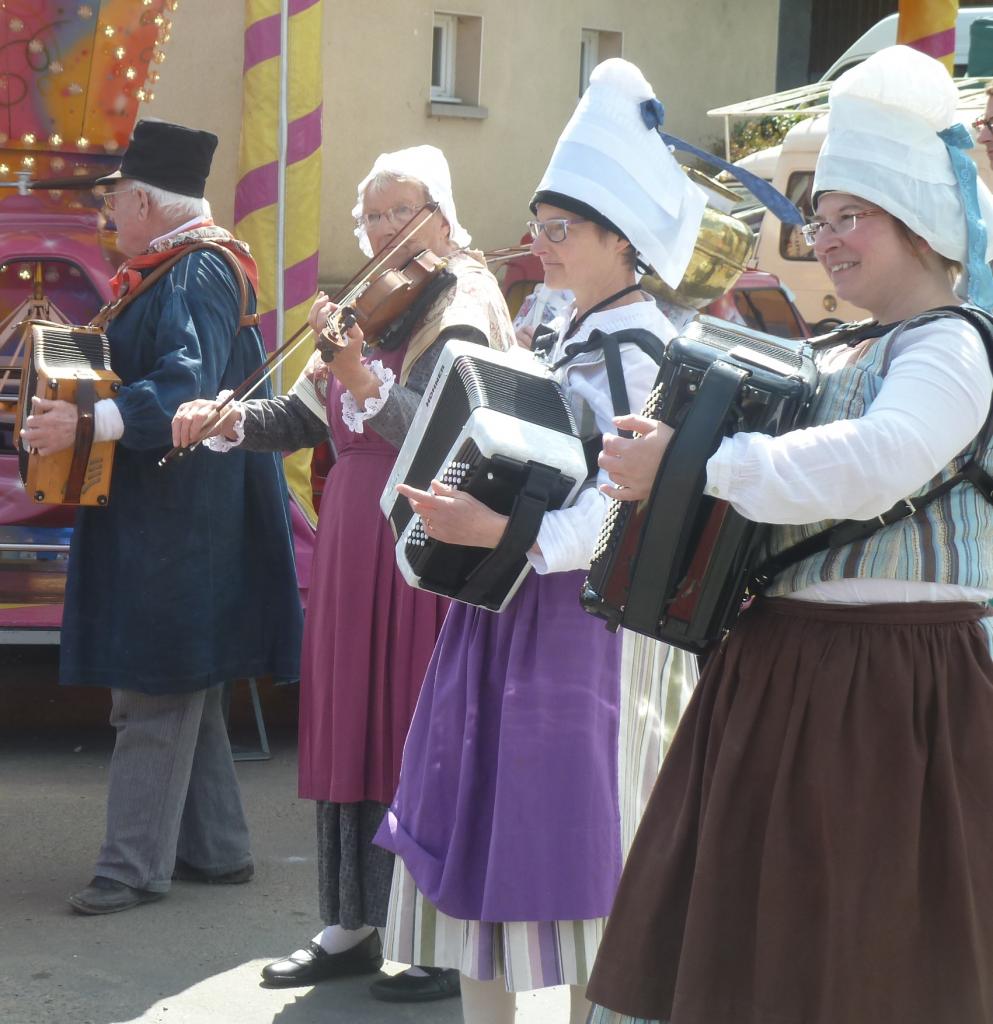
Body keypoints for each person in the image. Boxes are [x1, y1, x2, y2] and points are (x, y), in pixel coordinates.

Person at [585, 46, 993, 1024]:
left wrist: (696, 466)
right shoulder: (850, 347)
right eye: (822, 213)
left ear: (917, 219)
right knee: (763, 953)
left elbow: (880, 460)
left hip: (890, 692)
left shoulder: (954, 344)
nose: (828, 237)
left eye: (851, 214)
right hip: (793, 676)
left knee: (858, 956)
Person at [373, 60, 705, 1024]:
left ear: (621, 239)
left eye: (560, 232)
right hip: (508, 617)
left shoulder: (646, 353)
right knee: (482, 839)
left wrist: (500, 535)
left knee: (575, 850)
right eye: (540, 226)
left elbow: (626, 512)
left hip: (583, 639)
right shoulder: (558, 326)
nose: (541, 246)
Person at [172, 144, 516, 1002]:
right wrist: (227, 418)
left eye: (402, 211)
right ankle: (350, 924)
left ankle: (437, 934)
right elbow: (303, 412)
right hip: (353, 542)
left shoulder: (464, 298)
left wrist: (362, 372)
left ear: (440, 212)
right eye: (373, 215)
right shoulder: (368, 301)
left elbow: (444, 433)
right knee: (349, 720)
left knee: (412, 727)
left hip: (422, 537)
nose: (386, 229)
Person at [22, 119, 303, 915]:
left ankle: (130, 868)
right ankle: (217, 851)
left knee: (153, 685)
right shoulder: (177, 268)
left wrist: (88, 422)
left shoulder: (197, 272)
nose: (109, 217)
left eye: (114, 201)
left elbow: (188, 387)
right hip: (178, 508)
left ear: (146, 198)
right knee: (186, 680)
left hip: (188, 517)